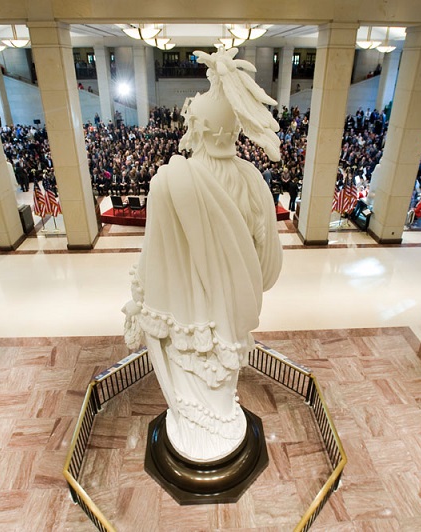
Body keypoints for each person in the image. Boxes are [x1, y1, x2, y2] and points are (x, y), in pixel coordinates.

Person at [122, 47, 282, 462]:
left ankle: (203, 429)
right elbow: (265, 263)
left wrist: (141, 299)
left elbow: (153, 254)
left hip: (187, 313)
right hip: (232, 312)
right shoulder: (252, 180)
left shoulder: (170, 181)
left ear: (194, 126)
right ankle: (215, 427)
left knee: (197, 376)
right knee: (220, 380)